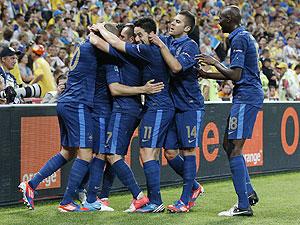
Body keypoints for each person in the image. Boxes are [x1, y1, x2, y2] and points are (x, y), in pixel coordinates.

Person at [18, 37, 108, 212]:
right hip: (77, 104)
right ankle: (67, 201)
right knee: (86, 153)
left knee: (67, 152)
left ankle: (31, 184)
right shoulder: (95, 47)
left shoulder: (82, 48)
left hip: (66, 102)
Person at [96, 17, 175, 213]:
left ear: (150, 34)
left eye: (140, 35)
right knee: (151, 153)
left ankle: (152, 200)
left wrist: (98, 27)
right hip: (153, 106)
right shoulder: (154, 50)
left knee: (146, 153)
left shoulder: (147, 50)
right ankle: (151, 199)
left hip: (158, 106)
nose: (138, 39)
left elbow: (112, 42)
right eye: (136, 35)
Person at [197, 5, 262, 217]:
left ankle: (243, 205)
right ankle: (249, 191)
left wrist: (214, 62)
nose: (218, 21)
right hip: (245, 95)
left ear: (231, 19)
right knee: (228, 143)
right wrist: (206, 74)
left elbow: (235, 75)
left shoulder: (238, 39)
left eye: (221, 18)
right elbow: (234, 74)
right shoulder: (243, 36)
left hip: (247, 96)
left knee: (235, 147)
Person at [149, 10, 205, 212]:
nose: (172, 23)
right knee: (170, 152)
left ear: (187, 28)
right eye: (172, 20)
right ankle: (195, 187)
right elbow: (150, 37)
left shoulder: (190, 45)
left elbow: (176, 67)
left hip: (190, 105)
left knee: (188, 150)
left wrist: (161, 45)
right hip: (172, 105)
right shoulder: (168, 40)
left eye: (178, 21)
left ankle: (185, 200)